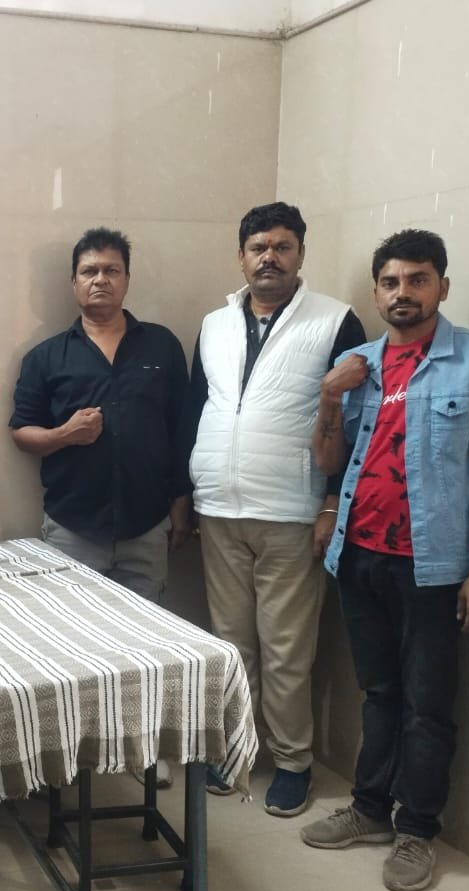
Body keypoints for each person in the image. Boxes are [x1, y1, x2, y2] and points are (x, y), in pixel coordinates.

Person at [300, 229, 469, 891]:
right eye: (391, 282)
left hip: (434, 566)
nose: (403, 293)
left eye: (418, 279)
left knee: (428, 704)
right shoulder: (359, 365)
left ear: (442, 287)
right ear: (377, 292)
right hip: (359, 556)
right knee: (378, 692)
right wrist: (329, 396)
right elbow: (329, 461)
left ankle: (417, 829)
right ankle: (370, 809)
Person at [189, 202, 367, 816]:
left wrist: (330, 504)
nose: (270, 257)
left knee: (288, 648)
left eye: (282, 246)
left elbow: (353, 421)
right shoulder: (214, 324)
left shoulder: (335, 320)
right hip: (219, 507)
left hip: (292, 510)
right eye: (259, 247)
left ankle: (293, 761)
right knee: (230, 644)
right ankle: (237, 751)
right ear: (241, 256)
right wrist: (188, 495)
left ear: (300, 254)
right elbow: (197, 406)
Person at [11, 226, 192, 788]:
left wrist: (180, 505)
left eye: (111, 270)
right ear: (73, 282)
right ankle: (73, 751)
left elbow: (181, 430)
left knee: (146, 642)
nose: (100, 280)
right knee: (71, 642)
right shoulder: (47, 357)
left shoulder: (161, 346)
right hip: (74, 524)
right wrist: (63, 435)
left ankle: (143, 749)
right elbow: (21, 431)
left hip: (146, 522)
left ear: (127, 279)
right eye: (89, 271)